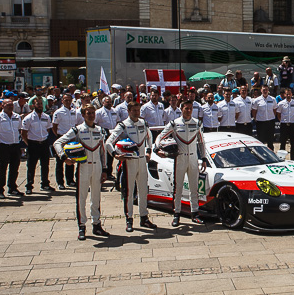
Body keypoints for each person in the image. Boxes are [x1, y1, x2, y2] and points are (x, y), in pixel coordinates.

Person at [53, 104, 111, 240]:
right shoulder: (77, 130)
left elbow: (103, 152)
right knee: (81, 198)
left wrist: (105, 170)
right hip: (83, 167)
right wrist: (64, 157)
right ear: (83, 115)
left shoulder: (100, 130)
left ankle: (96, 225)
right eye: (88, 113)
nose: (91, 115)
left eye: (92, 112)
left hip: (97, 167)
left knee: (96, 197)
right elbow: (57, 143)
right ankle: (81, 226)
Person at [106, 101, 156, 232]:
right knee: (129, 192)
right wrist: (115, 155)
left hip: (142, 161)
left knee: (143, 191)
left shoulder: (143, 123)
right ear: (128, 111)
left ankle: (144, 217)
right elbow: (108, 142)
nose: (136, 113)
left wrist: (149, 151)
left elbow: (149, 138)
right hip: (129, 162)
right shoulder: (123, 125)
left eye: (138, 110)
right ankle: (129, 219)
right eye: (133, 110)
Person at [154, 100, 207, 227]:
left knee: (194, 188)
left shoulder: (197, 123)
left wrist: (204, 158)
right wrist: (157, 149)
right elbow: (160, 137)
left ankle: (195, 213)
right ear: (181, 109)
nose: (188, 110)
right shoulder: (174, 123)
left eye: (190, 108)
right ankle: (176, 213)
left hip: (194, 159)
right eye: (186, 108)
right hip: (180, 158)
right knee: (177, 188)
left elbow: (201, 142)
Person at [0, 98, 23, 199]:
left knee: (14, 168)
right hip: (3, 145)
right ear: (2, 105)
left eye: (11, 104)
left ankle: (12, 188)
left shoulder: (17, 117)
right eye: (7, 104)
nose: (10, 106)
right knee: (2, 168)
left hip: (15, 145)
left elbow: (19, 129)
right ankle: (0, 190)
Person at [21, 97, 53, 195]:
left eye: (40, 104)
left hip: (43, 143)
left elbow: (48, 129)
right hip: (33, 144)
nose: (39, 105)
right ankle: (29, 186)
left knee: (45, 165)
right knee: (31, 166)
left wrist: (43, 138)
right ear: (33, 105)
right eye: (37, 104)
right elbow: (23, 133)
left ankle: (45, 184)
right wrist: (29, 143)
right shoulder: (28, 118)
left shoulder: (46, 117)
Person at [52, 94, 84, 189]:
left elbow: (78, 123)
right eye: (65, 100)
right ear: (62, 101)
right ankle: (60, 182)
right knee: (60, 161)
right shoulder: (58, 112)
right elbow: (54, 126)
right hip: (62, 137)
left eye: (69, 100)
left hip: (72, 138)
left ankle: (70, 180)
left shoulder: (75, 111)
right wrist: (59, 137)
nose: (67, 102)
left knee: (71, 160)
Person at [252, 85, 277, 149]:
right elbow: (254, 111)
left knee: (270, 141)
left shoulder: (273, 99)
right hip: (261, 123)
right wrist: (256, 119)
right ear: (261, 90)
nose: (265, 91)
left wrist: (271, 117)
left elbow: (274, 110)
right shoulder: (257, 100)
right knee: (261, 141)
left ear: (268, 90)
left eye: (266, 90)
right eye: (263, 90)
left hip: (270, 122)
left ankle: (271, 157)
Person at [276, 88, 294, 159]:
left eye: (289, 93)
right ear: (284, 94)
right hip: (284, 125)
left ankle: (293, 159)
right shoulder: (281, 104)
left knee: (293, 143)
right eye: (287, 94)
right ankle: (281, 158)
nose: (288, 95)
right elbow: (278, 114)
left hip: (292, 125)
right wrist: (282, 121)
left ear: (292, 94)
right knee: (282, 143)